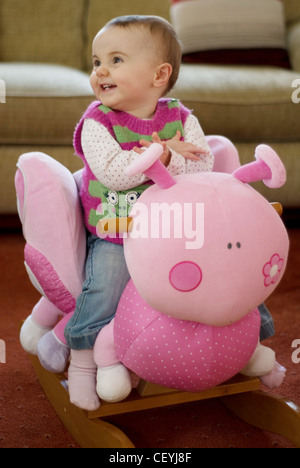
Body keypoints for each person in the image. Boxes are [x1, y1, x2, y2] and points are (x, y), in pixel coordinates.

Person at [62, 15, 214, 411]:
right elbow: (116, 174)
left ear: (159, 75)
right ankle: (81, 361)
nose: (101, 71)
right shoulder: (97, 121)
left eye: (115, 60)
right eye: (97, 62)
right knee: (105, 289)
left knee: (216, 273)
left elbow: (203, 166)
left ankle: (239, 343)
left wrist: (167, 158)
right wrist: (164, 152)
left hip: (170, 229)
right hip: (117, 228)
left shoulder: (180, 117)